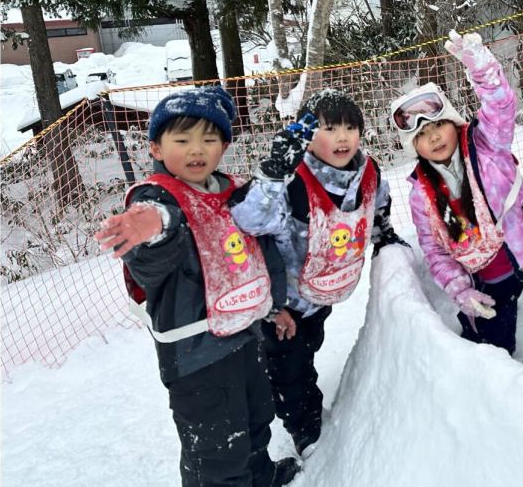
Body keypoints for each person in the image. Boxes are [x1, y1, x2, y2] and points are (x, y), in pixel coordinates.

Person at [94, 86, 299, 487]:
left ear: (224, 145)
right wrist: (154, 227)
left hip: (245, 336)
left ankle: (260, 476)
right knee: (216, 452)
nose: (196, 150)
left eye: (209, 139)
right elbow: (154, 254)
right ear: (156, 148)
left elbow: (259, 256)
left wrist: (275, 306)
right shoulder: (158, 199)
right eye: (182, 139)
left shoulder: (233, 192)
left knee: (256, 419)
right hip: (196, 357)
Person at [229, 90, 408, 459]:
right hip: (283, 305)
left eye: (350, 128)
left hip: (322, 294)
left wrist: (385, 236)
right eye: (329, 129)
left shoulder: (368, 173)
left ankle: (296, 389)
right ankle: (305, 429)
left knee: (309, 348)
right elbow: (248, 221)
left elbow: (378, 205)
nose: (342, 137)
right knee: (289, 369)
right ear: (308, 136)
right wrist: (272, 173)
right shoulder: (291, 181)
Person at [390, 30, 523, 355]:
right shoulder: (420, 194)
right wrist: (460, 289)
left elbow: (501, 105)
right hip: (491, 278)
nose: (434, 137)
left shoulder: (487, 145)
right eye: (422, 134)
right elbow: (434, 251)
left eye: (438, 125)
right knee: (494, 349)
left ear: (453, 123)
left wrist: (483, 69)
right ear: (413, 146)